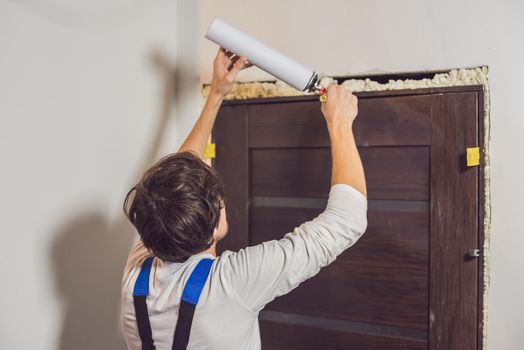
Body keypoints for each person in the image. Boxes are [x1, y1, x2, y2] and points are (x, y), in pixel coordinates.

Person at [120, 47, 368, 350]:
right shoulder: (231, 285)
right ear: (215, 228)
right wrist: (340, 123)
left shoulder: (137, 274)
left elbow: (181, 172)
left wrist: (216, 95)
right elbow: (347, 220)